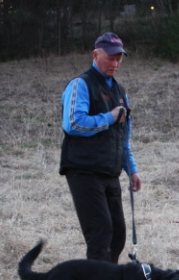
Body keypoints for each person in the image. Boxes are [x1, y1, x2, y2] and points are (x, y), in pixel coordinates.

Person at [60, 32, 142, 263]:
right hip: (83, 170)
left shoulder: (120, 91)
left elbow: (122, 136)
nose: (115, 63)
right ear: (95, 55)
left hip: (110, 171)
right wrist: (109, 116)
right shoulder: (80, 84)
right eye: (110, 58)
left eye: (119, 58)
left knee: (117, 235)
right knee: (100, 234)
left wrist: (132, 169)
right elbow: (73, 124)